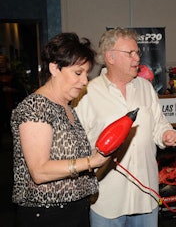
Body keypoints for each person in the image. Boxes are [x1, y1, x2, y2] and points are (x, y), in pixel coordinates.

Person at [74, 27, 176, 227]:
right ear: (110, 57)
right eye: (130, 53)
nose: (137, 58)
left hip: (146, 197)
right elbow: (78, 142)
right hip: (107, 199)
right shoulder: (88, 93)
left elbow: (159, 123)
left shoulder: (146, 88)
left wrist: (166, 133)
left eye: (137, 52)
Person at [10, 33, 110, 227]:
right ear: (54, 68)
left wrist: (102, 157)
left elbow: (73, 161)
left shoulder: (67, 107)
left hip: (74, 210)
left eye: (86, 74)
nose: (84, 81)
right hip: (47, 215)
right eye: (78, 73)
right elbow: (39, 171)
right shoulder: (36, 106)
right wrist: (91, 161)